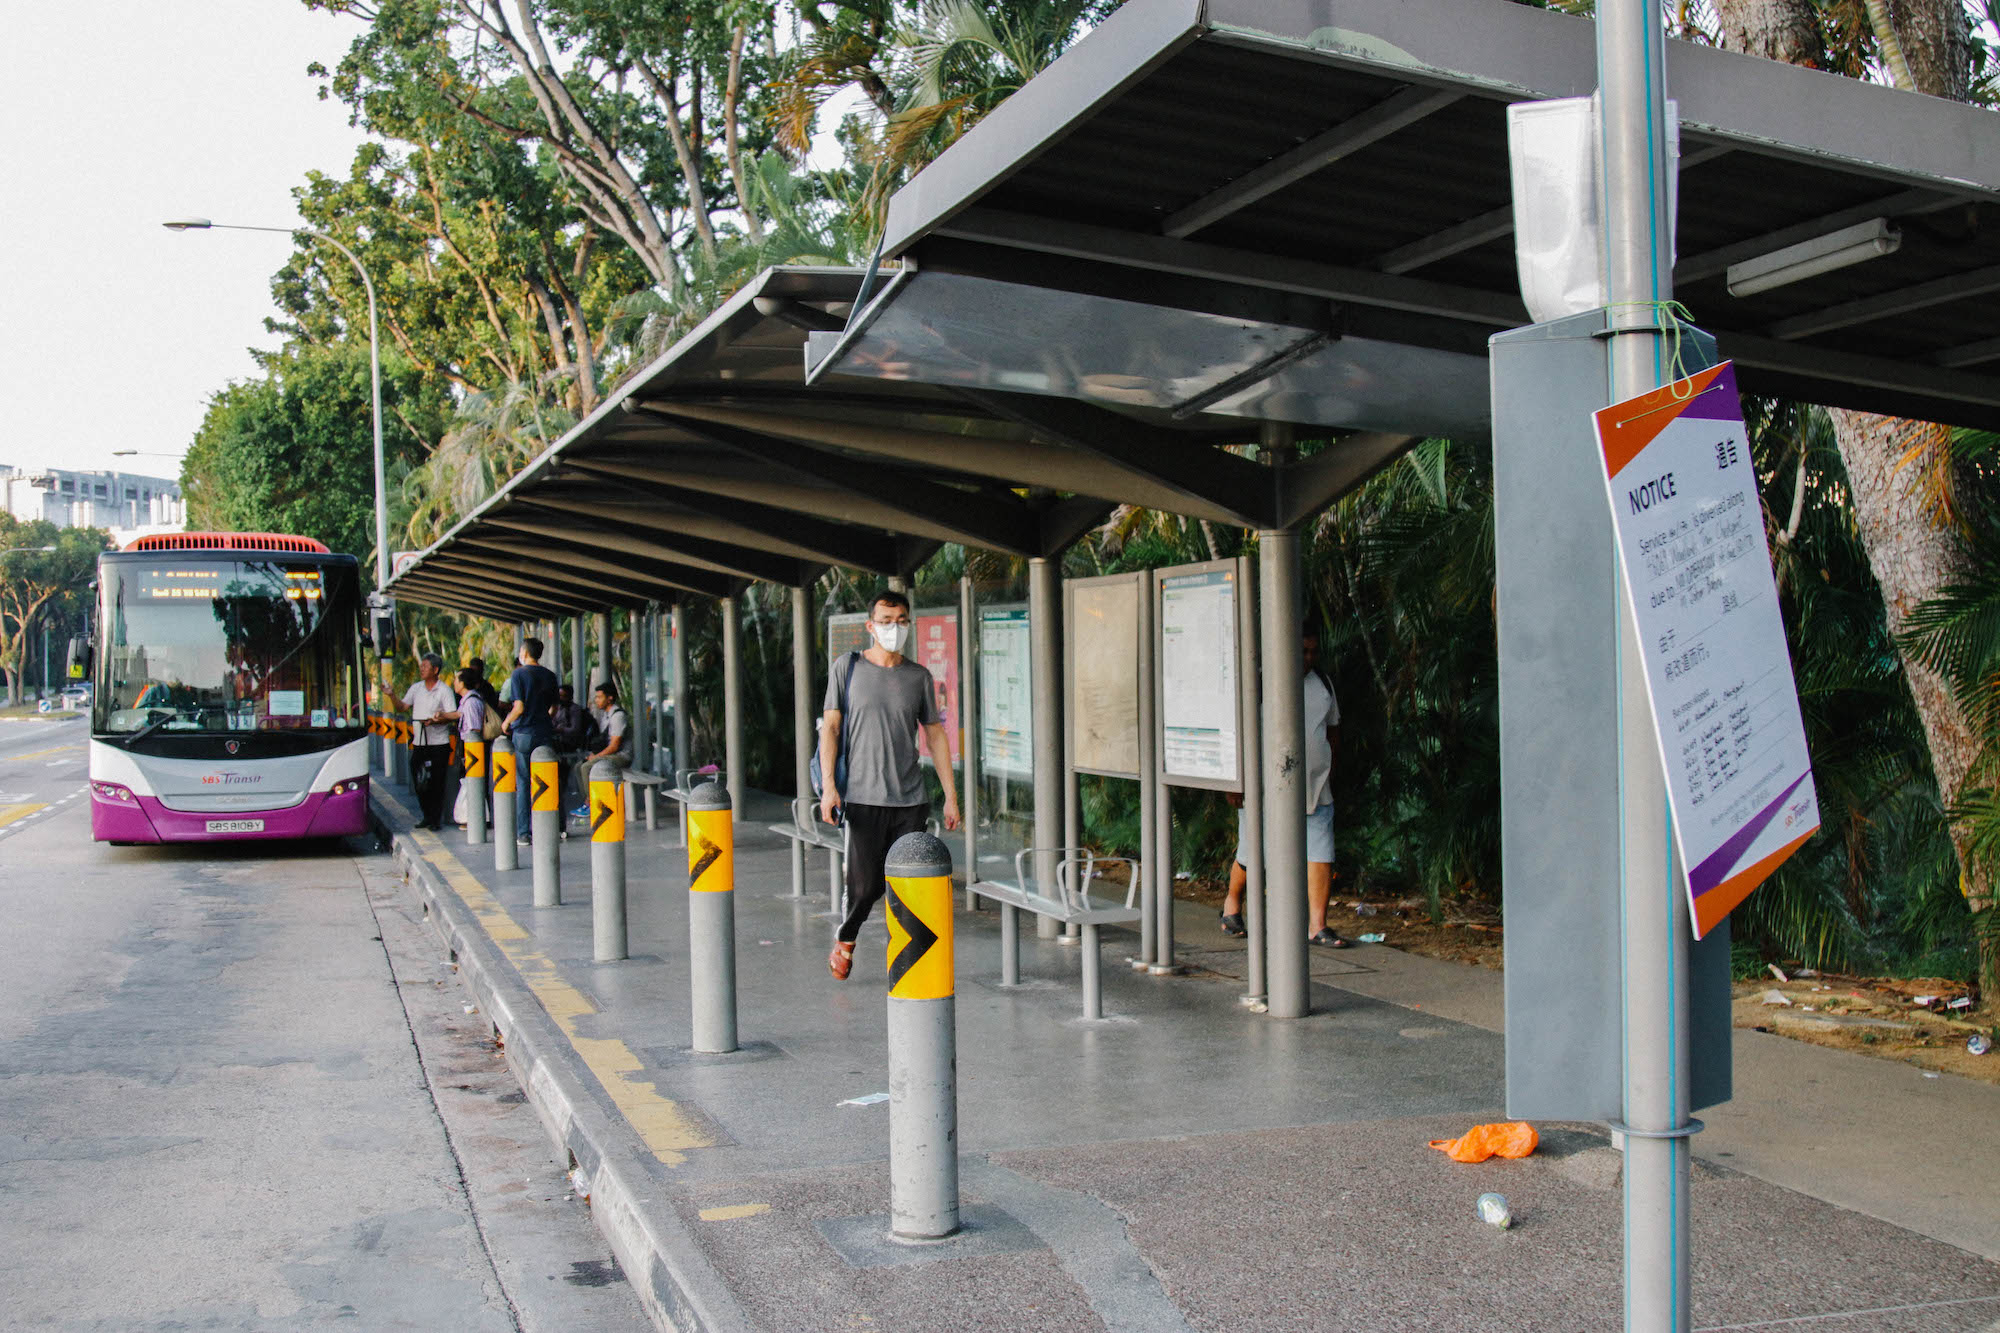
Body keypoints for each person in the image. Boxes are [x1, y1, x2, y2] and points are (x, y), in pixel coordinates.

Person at [818, 590, 961, 980]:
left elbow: (935, 736)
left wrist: (950, 795)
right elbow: (830, 728)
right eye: (885, 621)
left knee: (908, 885)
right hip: (862, 798)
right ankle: (846, 938)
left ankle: (911, 956)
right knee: (864, 887)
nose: (893, 628)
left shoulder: (918, 677)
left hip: (910, 799)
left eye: (900, 621)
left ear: (908, 624)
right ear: (870, 626)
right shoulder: (846, 669)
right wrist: (830, 788)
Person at [1220, 620, 1347, 947]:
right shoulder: (1261, 683)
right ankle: (1232, 902)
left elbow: (1333, 728)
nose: (1308, 657)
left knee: (1321, 850)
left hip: (1314, 787)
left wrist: (1330, 765)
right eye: (1302, 651)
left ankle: (1317, 925)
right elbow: (1237, 732)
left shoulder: (1323, 684)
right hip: (1263, 788)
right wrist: (1236, 782)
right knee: (1252, 851)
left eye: (1313, 651)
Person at [498, 637, 560, 844]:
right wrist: (542, 718)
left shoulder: (519, 674)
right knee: (548, 779)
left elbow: (519, 707)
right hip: (545, 732)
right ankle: (556, 827)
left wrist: (506, 723)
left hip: (524, 733)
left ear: (524, 653)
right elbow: (554, 708)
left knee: (524, 782)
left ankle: (524, 832)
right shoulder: (550, 676)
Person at [402, 652, 456, 831]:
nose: (421, 669)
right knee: (419, 779)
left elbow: (452, 715)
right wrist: (391, 695)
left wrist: (436, 720)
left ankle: (435, 819)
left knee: (436, 781)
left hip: (439, 743)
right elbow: (403, 707)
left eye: (425, 667)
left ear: (435, 670)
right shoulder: (416, 688)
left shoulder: (444, 690)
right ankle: (426, 815)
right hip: (419, 742)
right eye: (421, 666)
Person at [448, 667, 488, 829]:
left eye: (456, 680)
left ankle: (475, 818)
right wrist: (441, 715)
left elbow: (474, 729)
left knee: (472, 782)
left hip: (472, 748)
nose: (454, 683)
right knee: (469, 782)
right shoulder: (467, 701)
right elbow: (458, 715)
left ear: (463, 683)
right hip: (471, 747)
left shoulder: (471, 702)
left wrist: (469, 754)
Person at [550, 683, 592, 819]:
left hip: (570, 742)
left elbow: (575, 729)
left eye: (564, 696)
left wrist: (560, 729)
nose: (561, 698)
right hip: (559, 740)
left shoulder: (574, 710)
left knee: (581, 768)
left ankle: (588, 800)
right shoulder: (558, 708)